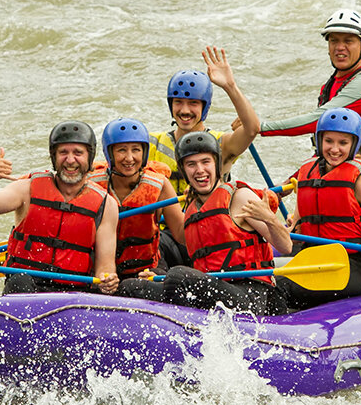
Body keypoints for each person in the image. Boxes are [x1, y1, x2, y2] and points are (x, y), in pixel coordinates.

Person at [117, 132, 290, 316]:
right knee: (131, 287)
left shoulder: (239, 197)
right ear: (184, 171)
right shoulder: (193, 210)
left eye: (205, 162)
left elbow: (285, 246)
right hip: (212, 292)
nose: (199, 170)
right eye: (191, 164)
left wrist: (270, 218)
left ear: (216, 165)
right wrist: (159, 278)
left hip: (249, 296)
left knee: (178, 276)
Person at [0, 121, 120, 295]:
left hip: (74, 294)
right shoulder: (26, 190)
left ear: (89, 158)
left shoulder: (106, 205)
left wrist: (108, 281)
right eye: (63, 152)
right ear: (54, 157)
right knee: (19, 280)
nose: (70, 160)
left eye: (78, 153)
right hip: (26, 288)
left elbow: (105, 268)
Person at [277, 108, 361, 309]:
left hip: (349, 266)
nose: (335, 149)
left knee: (279, 289)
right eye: (329, 141)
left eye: (343, 143)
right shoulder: (307, 173)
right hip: (312, 257)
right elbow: (296, 225)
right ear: (319, 140)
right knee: (264, 278)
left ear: (354, 144)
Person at [259, 9, 361, 147]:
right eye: (334, 41)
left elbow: (318, 120)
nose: (339, 47)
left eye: (348, 41)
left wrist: (260, 127)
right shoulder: (330, 85)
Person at [148, 46, 261, 194]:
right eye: (178, 102)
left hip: (209, 216)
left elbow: (252, 129)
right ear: (171, 105)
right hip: (168, 217)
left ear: (205, 107)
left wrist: (230, 86)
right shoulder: (151, 143)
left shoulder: (222, 144)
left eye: (193, 103)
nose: (185, 110)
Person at [90, 118, 185, 279]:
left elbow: (182, 234)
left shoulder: (160, 185)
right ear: (109, 153)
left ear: (144, 152)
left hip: (148, 269)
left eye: (136, 150)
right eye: (121, 150)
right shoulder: (92, 184)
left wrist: (200, 205)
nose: (129, 158)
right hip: (102, 270)